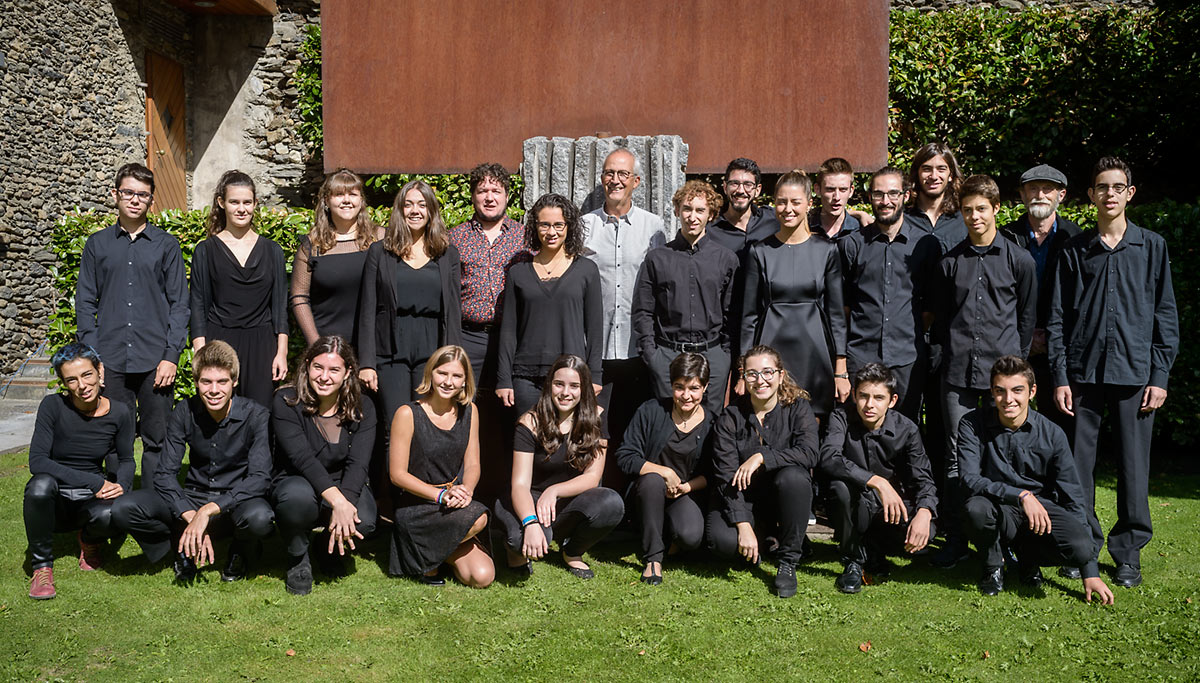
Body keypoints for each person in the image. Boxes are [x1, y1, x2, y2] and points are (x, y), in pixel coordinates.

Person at [1048, 157, 1179, 588]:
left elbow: (1165, 315)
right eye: (1101, 187)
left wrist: (1159, 376)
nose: (1109, 194)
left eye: (1117, 187)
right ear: (1090, 195)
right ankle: (1081, 546)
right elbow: (1057, 319)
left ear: (1130, 193)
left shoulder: (1152, 247)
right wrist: (1060, 375)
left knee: (1133, 466)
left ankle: (1127, 553)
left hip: (1135, 374)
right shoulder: (1073, 250)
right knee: (1076, 469)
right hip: (1082, 375)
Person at [928, 174, 1036, 568]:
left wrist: (1016, 368)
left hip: (1001, 379)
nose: (974, 217)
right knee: (956, 457)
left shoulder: (1018, 260)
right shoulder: (950, 262)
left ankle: (1008, 538)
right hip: (957, 374)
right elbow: (941, 320)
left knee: (1003, 456)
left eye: (982, 209)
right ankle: (956, 538)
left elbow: (1026, 318)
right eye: (968, 210)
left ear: (996, 210)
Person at [111, 341, 274, 583]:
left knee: (260, 516)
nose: (214, 390)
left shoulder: (256, 415)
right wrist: (192, 516)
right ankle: (181, 547)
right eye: (206, 382)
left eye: (222, 382)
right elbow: (165, 474)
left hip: (234, 502)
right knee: (123, 508)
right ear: (196, 382)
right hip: (193, 496)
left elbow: (260, 478)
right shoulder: (184, 411)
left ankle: (240, 550)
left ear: (234, 382)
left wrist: (207, 512)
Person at [959, 356, 1114, 604]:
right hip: (997, 506)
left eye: (1017, 391)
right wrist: (1021, 495)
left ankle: (1026, 559)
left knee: (1081, 547)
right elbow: (969, 479)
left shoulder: (1053, 433)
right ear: (992, 392)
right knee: (975, 508)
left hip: (1040, 512)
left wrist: (1090, 572)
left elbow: (1073, 495)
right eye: (1000, 391)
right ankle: (992, 565)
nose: (1008, 399)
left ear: (1032, 392)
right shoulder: (972, 423)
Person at [75, 162, 187, 486]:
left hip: (156, 360)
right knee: (115, 438)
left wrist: (171, 356)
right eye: (128, 193)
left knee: (158, 437)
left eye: (143, 195)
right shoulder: (96, 245)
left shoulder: (167, 245)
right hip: (110, 360)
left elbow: (180, 304)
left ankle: (154, 501)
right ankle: (117, 501)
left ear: (151, 200)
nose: (135, 200)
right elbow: (85, 303)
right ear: (115, 195)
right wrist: (94, 358)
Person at [494, 355, 624, 579]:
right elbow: (520, 484)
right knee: (520, 542)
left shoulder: (597, 418)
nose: (565, 392)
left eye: (574, 386)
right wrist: (531, 522)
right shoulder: (530, 422)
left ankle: (572, 552)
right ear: (549, 386)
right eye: (559, 384)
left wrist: (554, 491)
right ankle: (513, 547)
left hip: (564, 500)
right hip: (527, 498)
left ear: (584, 389)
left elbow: (593, 477)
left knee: (611, 503)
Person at [708, 345, 822, 598]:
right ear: (744, 377)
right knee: (722, 544)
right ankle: (766, 535)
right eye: (752, 374)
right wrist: (743, 525)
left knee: (794, 476)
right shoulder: (730, 417)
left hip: (785, 495)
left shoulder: (798, 408)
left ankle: (788, 560)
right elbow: (725, 475)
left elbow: (810, 453)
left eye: (767, 372)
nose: (760, 380)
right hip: (745, 498)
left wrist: (761, 457)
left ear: (780, 375)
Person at [24, 343, 135, 599]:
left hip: (90, 502)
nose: (82, 385)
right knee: (39, 486)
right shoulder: (52, 406)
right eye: (71, 380)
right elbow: (37, 461)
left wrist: (123, 485)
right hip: (56, 500)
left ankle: (89, 539)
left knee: (115, 511)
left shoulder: (120, 412)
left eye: (87, 375)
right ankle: (41, 566)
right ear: (64, 383)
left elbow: (127, 459)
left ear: (99, 372)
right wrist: (94, 481)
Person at [271, 335, 377, 595]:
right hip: (296, 479)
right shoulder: (286, 401)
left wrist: (346, 505)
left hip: (341, 482)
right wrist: (338, 503)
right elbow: (303, 460)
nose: (324, 376)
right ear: (307, 366)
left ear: (347, 373)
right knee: (296, 500)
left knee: (365, 520)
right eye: (318, 367)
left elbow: (358, 463)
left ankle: (326, 546)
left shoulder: (364, 407)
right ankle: (298, 556)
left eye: (334, 370)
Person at [740, 170, 849, 420]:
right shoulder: (759, 251)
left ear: (809, 203)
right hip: (771, 349)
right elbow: (749, 316)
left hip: (815, 350)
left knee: (816, 420)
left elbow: (836, 314)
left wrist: (840, 369)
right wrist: (743, 370)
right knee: (772, 419)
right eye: (781, 201)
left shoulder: (827, 250)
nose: (788, 208)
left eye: (795, 202)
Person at [581, 148, 668, 457]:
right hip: (597, 348)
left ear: (637, 181)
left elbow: (661, 285)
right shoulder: (584, 226)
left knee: (636, 431)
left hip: (637, 348)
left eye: (623, 174)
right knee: (595, 432)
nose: (615, 180)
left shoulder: (654, 227)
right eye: (609, 173)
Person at [821, 364, 937, 594]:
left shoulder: (908, 430)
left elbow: (924, 479)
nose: (869, 404)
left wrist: (925, 512)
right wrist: (877, 481)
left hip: (891, 510)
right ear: (854, 395)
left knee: (928, 532)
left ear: (892, 401)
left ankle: (872, 547)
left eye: (878, 397)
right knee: (839, 488)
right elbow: (828, 457)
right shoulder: (841, 417)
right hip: (855, 503)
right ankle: (853, 560)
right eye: (863, 396)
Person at [838, 167, 941, 421]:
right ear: (869, 197)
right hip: (861, 354)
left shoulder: (926, 245)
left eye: (893, 193)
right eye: (878, 194)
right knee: (856, 428)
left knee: (905, 429)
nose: (886, 201)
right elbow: (843, 308)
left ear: (906, 196)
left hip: (907, 357)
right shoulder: (851, 245)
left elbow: (930, 308)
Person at [358, 179, 463, 426]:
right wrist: (367, 363)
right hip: (390, 351)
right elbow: (367, 309)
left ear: (431, 211)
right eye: (408, 205)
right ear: (400, 210)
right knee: (394, 424)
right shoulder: (380, 252)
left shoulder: (448, 255)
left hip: (432, 351)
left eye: (422, 205)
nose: (415, 211)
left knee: (425, 424)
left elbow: (454, 312)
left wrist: (455, 361)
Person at [388, 346, 494, 588]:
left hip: (453, 503)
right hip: (418, 505)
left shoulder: (470, 412)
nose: (448, 382)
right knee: (476, 521)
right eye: (442, 373)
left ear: (465, 381)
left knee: (482, 576)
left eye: (456, 376)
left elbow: (473, 463)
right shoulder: (407, 413)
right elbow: (397, 475)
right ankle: (428, 550)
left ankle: (434, 552)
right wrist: (440, 495)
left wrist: (465, 491)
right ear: (431, 374)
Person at [632, 179, 739, 415]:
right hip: (668, 355)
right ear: (678, 211)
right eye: (687, 209)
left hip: (713, 355)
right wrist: (653, 356)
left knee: (711, 425)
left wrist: (725, 356)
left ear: (711, 214)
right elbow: (643, 311)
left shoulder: (726, 259)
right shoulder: (657, 258)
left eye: (700, 210)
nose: (693, 216)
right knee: (667, 423)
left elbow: (732, 313)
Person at [496, 193, 603, 416]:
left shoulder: (587, 270)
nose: (551, 232)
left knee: (567, 446)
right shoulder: (518, 272)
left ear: (569, 226)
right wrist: (504, 378)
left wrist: (595, 375)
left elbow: (594, 329)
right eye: (544, 225)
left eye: (558, 225)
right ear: (535, 227)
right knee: (528, 441)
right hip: (526, 377)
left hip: (571, 377)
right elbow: (508, 332)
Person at [189, 170, 288, 408]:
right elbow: (198, 305)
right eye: (234, 202)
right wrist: (201, 355)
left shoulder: (273, 251)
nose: (241, 208)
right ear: (222, 203)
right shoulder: (205, 251)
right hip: (219, 341)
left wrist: (281, 352)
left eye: (247, 202)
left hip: (263, 345)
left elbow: (280, 308)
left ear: (255, 204)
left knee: (261, 416)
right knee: (219, 415)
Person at [615, 352, 712, 585]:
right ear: (671, 385)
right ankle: (653, 560)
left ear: (705, 387)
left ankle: (669, 533)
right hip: (647, 491)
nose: (686, 396)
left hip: (684, 493)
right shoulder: (651, 410)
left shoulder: (713, 423)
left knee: (690, 537)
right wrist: (665, 472)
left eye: (694, 388)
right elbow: (625, 456)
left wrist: (686, 487)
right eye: (679, 387)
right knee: (652, 480)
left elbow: (714, 473)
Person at [998, 164, 1081, 437]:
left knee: (1062, 427)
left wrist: (1053, 338)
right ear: (1022, 195)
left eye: (1048, 189)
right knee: (1014, 426)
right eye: (1033, 189)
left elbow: (1079, 299)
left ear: (1062, 194)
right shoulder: (1005, 237)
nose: (1040, 195)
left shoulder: (1076, 239)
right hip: (1014, 346)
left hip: (1062, 348)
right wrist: (1025, 336)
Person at [448, 163, 530, 386]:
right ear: (473, 195)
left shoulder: (525, 238)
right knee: (465, 406)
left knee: (508, 409)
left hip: (514, 339)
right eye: (483, 191)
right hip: (468, 338)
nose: (490, 198)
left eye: (496, 191)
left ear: (507, 196)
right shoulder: (454, 238)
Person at [290, 169, 381, 349]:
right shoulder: (312, 247)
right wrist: (316, 343)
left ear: (361, 200)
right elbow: (299, 297)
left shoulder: (380, 238)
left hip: (375, 345)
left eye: (353, 194)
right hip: (329, 347)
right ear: (326, 201)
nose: (346, 200)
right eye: (339, 194)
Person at [705, 157, 780, 256]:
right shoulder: (709, 228)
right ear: (725, 187)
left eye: (748, 184)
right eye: (734, 183)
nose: (740, 190)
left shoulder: (774, 219)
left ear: (757, 190)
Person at [905, 142, 967, 254]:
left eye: (941, 169)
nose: (933, 176)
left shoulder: (963, 220)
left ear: (951, 175)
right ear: (917, 174)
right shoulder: (902, 219)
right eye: (927, 169)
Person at [809, 157, 863, 240]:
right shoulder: (804, 228)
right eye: (830, 189)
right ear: (817, 189)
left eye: (843, 189)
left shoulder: (861, 232)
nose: (837, 197)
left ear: (851, 191)